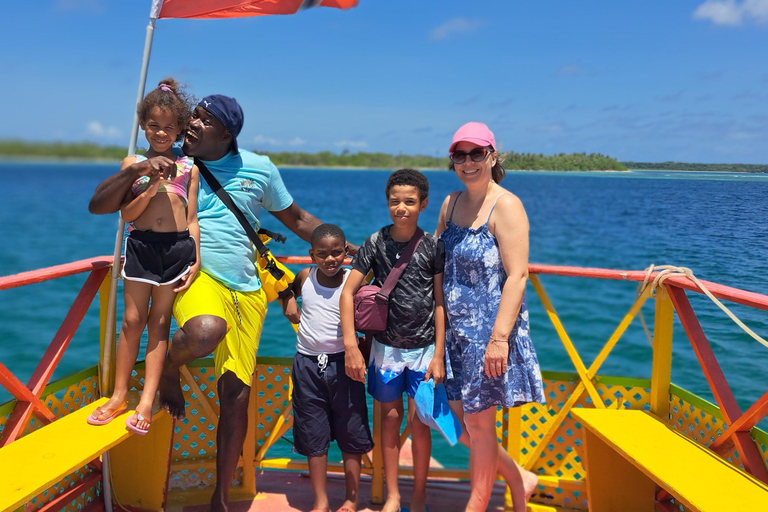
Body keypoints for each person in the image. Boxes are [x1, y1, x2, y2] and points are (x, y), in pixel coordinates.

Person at [88, 94, 328, 511]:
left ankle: (220, 499)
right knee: (204, 330)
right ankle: (165, 369)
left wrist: (352, 247)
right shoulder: (175, 160)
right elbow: (121, 187)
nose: (191, 126)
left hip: (247, 287)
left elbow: (300, 220)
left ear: (226, 133)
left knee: (236, 394)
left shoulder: (260, 168)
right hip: (192, 277)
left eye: (202, 120)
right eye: (191, 118)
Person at [435, 122, 545, 512]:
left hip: (488, 337)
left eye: (476, 153)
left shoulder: (507, 205)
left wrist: (498, 339)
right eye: (460, 155)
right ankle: (519, 478)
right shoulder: (450, 204)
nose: (468, 162)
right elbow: (436, 265)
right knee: (455, 419)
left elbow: (517, 276)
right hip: (453, 336)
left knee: (480, 427)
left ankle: (477, 504)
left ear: (492, 157)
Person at [87, 78, 199, 435]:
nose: (161, 133)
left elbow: (192, 219)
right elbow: (127, 215)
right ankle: (120, 396)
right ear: (143, 126)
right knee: (131, 322)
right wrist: (150, 186)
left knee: (160, 324)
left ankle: (147, 401)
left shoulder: (189, 168)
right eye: (154, 126)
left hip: (177, 250)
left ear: (180, 129)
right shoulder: (133, 161)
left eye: (169, 128)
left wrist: (195, 260)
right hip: (140, 248)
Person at [340, 169, 445, 512]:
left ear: (423, 204)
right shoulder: (375, 243)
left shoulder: (432, 246)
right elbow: (348, 292)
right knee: (388, 419)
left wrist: (439, 354)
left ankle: (418, 495)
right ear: (387, 203)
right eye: (395, 201)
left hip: (424, 350)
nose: (402, 208)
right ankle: (393, 495)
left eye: (410, 202)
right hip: (385, 351)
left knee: (420, 422)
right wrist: (352, 346)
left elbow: (440, 302)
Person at [281, 223, 373, 512]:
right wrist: (288, 300)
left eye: (337, 253)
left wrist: (360, 252)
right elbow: (285, 288)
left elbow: (381, 278)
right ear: (311, 254)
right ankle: (320, 501)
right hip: (307, 365)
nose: (330, 260)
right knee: (313, 433)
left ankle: (351, 498)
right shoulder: (305, 276)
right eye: (322, 254)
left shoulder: (353, 280)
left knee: (351, 431)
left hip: (344, 363)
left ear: (345, 252)